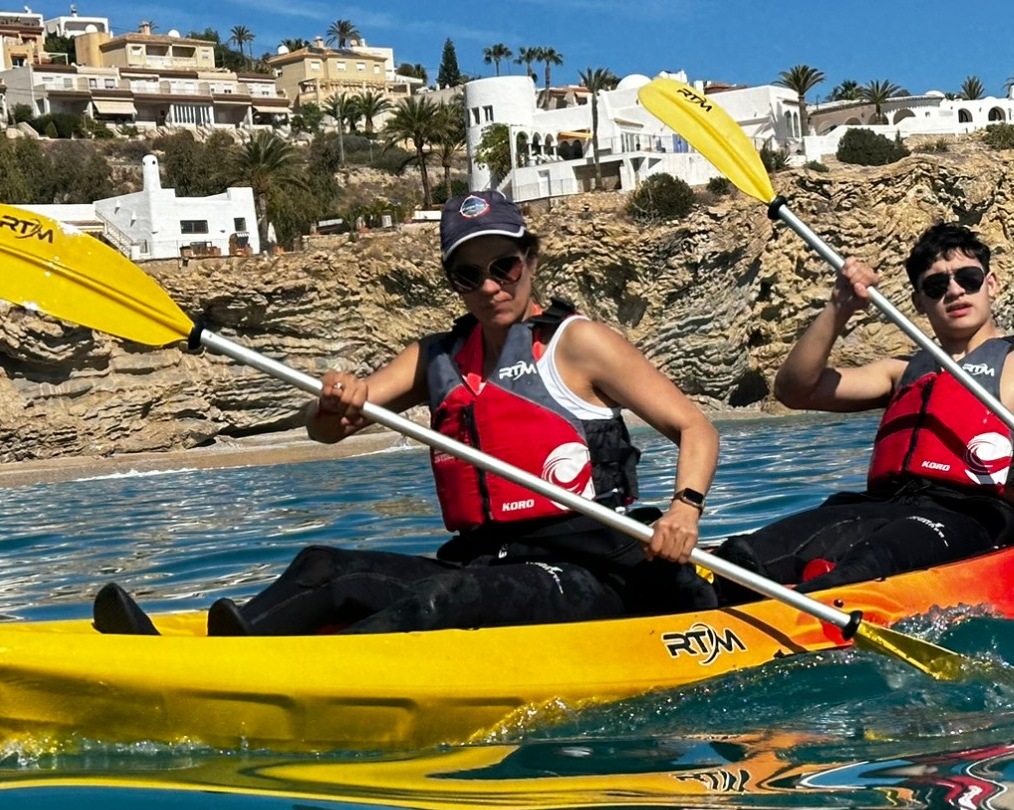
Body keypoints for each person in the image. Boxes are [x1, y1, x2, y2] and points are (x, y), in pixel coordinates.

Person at [94, 189, 720, 637]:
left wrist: (684, 509)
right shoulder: (436, 358)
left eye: (504, 266)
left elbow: (694, 427)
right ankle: (222, 652)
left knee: (449, 597)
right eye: (469, 275)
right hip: (485, 556)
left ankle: (304, 677)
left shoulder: (577, 342)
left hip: (590, 566)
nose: (491, 286)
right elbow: (328, 430)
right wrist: (335, 402)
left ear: (529, 261)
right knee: (324, 567)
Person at [717, 221, 1014, 596]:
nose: (954, 290)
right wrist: (839, 307)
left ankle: (814, 604)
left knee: (865, 568)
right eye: (936, 285)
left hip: (974, 517)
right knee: (743, 556)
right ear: (920, 303)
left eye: (967, 278)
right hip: (882, 506)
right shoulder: (902, 372)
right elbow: (796, 390)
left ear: (990, 284)